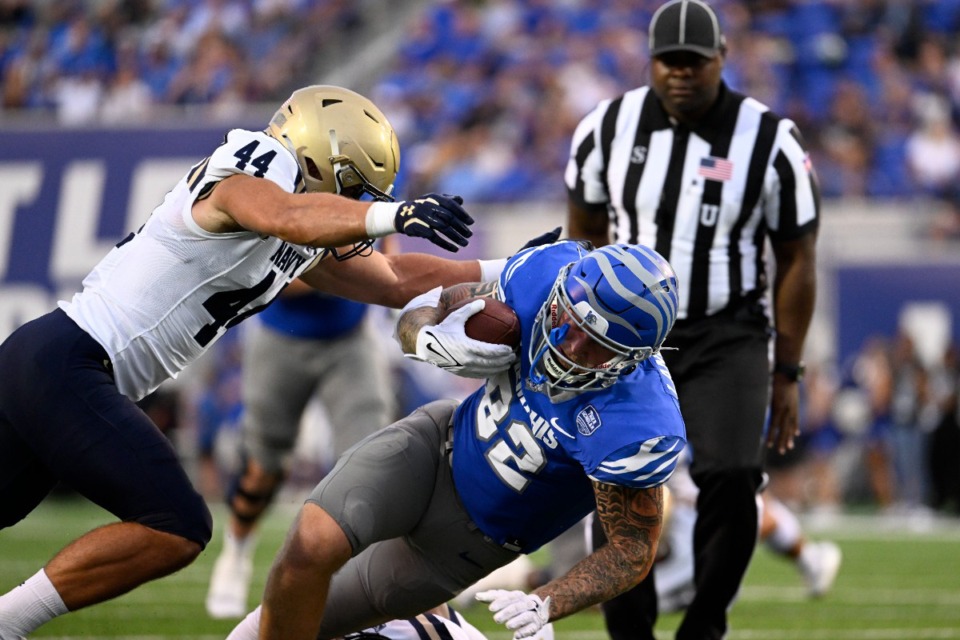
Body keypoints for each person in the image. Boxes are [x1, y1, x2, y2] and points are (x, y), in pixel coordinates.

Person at [0, 84, 518, 638]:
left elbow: (394, 281)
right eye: (354, 188)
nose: (360, 204)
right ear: (320, 155)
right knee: (176, 525)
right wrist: (392, 216)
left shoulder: (300, 230)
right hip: (72, 360)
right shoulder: (257, 162)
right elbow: (284, 213)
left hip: (55, 363)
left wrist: (505, 266)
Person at [225, 241, 686, 640]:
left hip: (464, 543)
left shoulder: (639, 424)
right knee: (311, 545)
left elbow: (632, 551)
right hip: (432, 444)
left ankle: (441, 628)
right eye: (569, 319)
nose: (568, 345)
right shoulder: (545, 275)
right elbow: (429, 307)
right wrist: (426, 335)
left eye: (596, 344)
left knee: (262, 630)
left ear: (635, 358)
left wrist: (547, 600)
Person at [564, 1, 820, 638]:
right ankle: (630, 630)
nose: (680, 74)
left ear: (722, 59)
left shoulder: (769, 139)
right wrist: (585, 329)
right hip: (629, 335)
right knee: (617, 478)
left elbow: (797, 257)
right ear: (650, 62)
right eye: (668, 61)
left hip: (726, 330)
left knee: (732, 474)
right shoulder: (607, 126)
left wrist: (787, 370)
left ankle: (704, 624)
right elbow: (583, 235)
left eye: (694, 62)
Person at [205, 278, 395, 619]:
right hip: (282, 337)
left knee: (369, 463)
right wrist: (347, 267)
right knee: (263, 466)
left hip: (351, 335)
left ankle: (368, 578)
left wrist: (385, 283)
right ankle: (236, 552)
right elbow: (271, 279)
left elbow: (384, 249)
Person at [652, 455, 842, 614]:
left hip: (691, 547)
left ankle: (810, 558)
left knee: (746, 498)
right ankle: (811, 558)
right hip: (684, 544)